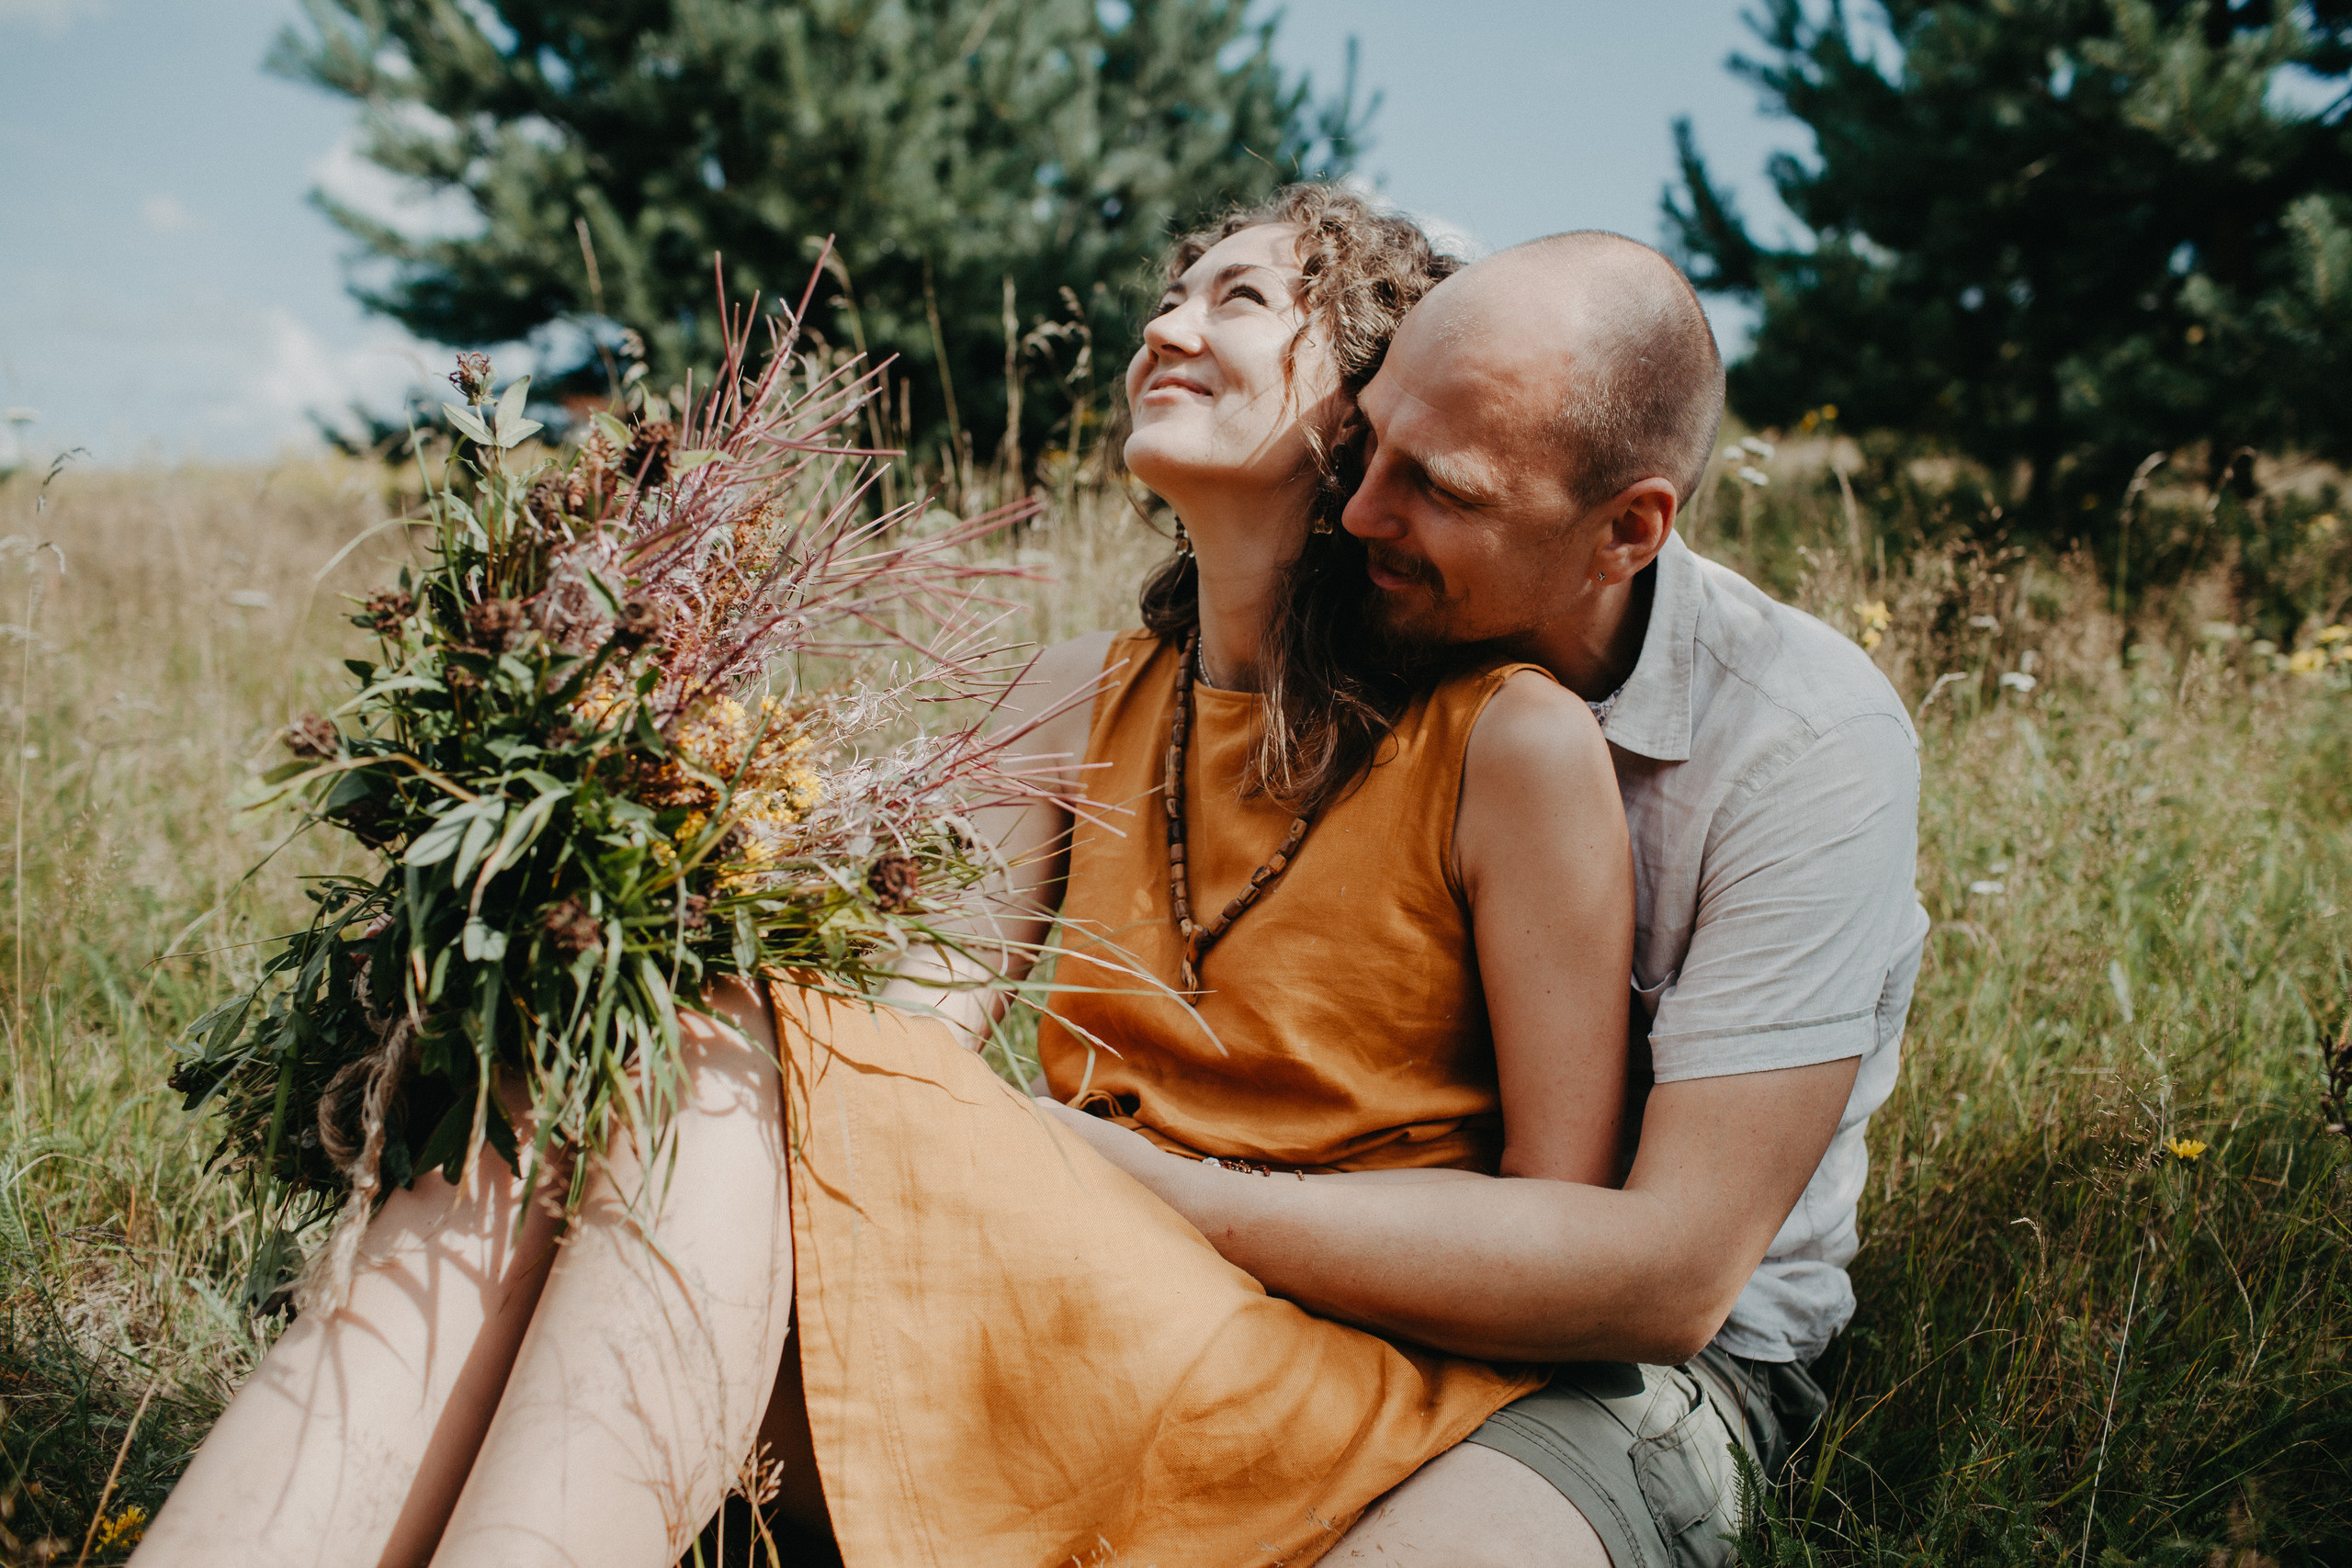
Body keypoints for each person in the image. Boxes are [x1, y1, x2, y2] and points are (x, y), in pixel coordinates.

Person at [136, 186, 1642, 1568]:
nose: (1168, 324)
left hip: (1298, 1373)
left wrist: (1156, 1182)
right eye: (1170, 295)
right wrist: (633, 869)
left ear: (1365, 397)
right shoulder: (1077, 695)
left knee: (714, 1043)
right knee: (632, 1043)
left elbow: (1553, 1229)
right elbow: (900, 1026)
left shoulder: (1506, 746)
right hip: (1057, 1288)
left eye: (1241, 301)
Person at [1066, 233, 1929, 1568]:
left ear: (1627, 530)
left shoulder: (1801, 747)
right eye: (1371, 450)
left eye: (1439, 489)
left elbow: (1672, 1277)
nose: (1361, 516)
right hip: (1313, 1274)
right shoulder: (1382, 633)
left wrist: (1155, 1190)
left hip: (1641, 1369)